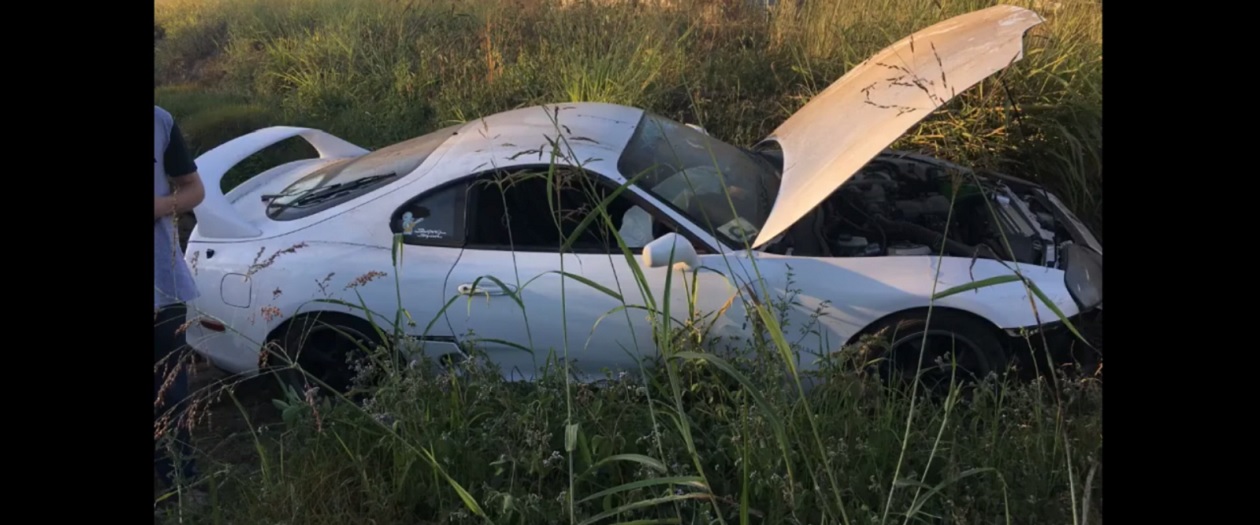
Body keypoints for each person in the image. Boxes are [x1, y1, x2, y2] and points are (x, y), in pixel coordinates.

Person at [154, 105, 206, 503]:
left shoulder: (161, 121)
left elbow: (193, 189)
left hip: (163, 286)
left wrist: (158, 207)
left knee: (172, 396)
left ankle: (182, 487)